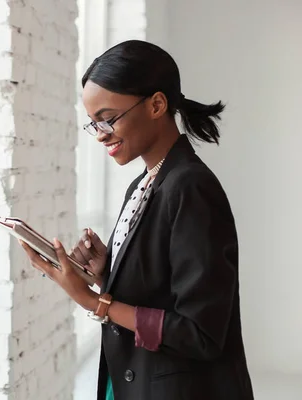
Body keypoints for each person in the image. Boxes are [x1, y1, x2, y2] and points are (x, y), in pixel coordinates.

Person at [18, 40, 254, 400]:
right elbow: (161, 287)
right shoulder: (144, 183)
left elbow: (200, 334)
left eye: (108, 118)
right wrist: (105, 274)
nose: (100, 134)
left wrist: (93, 301)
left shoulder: (191, 187)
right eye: (93, 123)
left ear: (157, 104)